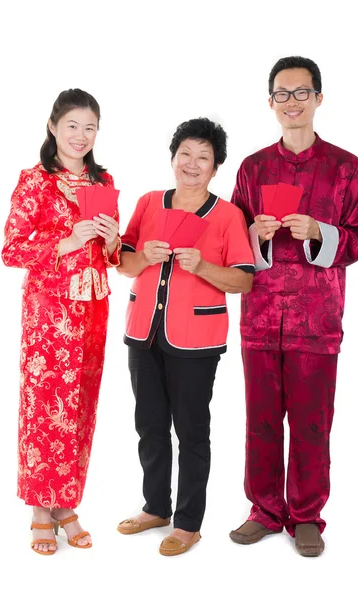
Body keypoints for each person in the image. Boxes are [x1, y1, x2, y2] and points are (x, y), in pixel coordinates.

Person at [229, 56, 358, 556]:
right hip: (260, 317)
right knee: (261, 419)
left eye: (301, 92)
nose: (292, 102)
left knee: (313, 421)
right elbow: (231, 244)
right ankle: (265, 510)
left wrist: (321, 232)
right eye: (282, 94)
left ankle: (307, 513)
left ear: (318, 97)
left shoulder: (346, 167)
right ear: (270, 103)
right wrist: (256, 234)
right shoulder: (252, 168)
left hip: (318, 319)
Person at [116, 118, 255, 556]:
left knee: (192, 431)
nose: (192, 164)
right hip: (143, 331)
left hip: (197, 338)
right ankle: (156, 506)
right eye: (185, 155)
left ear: (216, 168)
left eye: (203, 158)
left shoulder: (229, 214)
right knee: (149, 425)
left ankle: (189, 523)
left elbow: (244, 281)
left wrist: (202, 267)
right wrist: (141, 257)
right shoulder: (149, 202)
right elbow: (121, 261)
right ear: (173, 157)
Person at [2, 89, 120, 555]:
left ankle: (66, 501)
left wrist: (113, 241)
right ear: (53, 127)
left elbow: (112, 256)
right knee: (45, 405)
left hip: (93, 308)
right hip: (50, 312)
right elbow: (11, 249)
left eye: (90, 127)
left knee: (81, 405)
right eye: (72, 125)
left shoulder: (104, 180)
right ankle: (39, 507)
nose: (81, 136)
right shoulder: (36, 181)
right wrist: (65, 241)